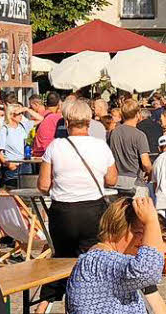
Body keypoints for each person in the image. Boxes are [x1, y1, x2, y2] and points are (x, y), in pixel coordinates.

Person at [39, 99, 118, 258]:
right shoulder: (101, 146)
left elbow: (43, 185)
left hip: (63, 211)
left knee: (62, 261)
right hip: (93, 209)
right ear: (89, 122)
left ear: (67, 122)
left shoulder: (55, 146)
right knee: (92, 259)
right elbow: (111, 179)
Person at [109, 98, 153, 195]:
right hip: (135, 181)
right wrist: (150, 172)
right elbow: (145, 163)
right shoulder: (139, 135)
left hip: (117, 179)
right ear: (138, 114)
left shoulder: (113, 133)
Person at [0, 103, 34, 188]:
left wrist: (26, 109)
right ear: (11, 115)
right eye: (18, 114)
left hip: (25, 165)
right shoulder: (5, 129)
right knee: (12, 192)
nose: (21, 116)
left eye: (22, 113)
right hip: (12, 166)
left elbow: (41, 118)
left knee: (27, 193)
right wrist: (8, 164)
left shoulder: (23, 126)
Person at [32, 92, 62, 157]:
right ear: (59, 103)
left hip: (36, 152)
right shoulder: (58, 118)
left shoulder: (38, 116)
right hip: (49, 153)